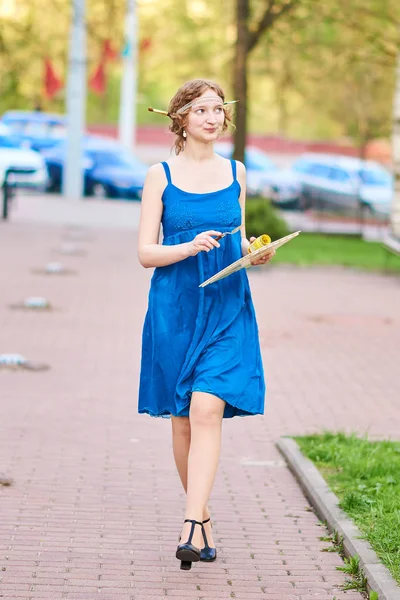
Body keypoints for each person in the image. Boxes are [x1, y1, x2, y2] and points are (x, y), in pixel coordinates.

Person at [137, 78, 274, 570]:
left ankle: (189, 523)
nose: (213, 118)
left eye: (219, 109)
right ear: (180, 119)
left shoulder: (236, 172)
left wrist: (255, 255)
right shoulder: (160, 175)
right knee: (181, 421)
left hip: (227, 304)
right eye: (201, 110)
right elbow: (145, 252)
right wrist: (188, 247)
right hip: (175, 308)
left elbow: (238, 243)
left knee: (206, 409)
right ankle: (204, 521)